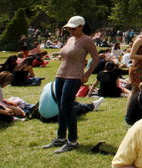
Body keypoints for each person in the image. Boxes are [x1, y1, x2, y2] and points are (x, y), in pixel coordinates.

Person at [42, 15, 99, 154]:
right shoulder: (70, 39)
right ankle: (60, 138)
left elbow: (96, 58)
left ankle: (72, 141)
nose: (71, 31)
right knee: (60, 108)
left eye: (73, 28)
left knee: (67, 108)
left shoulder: (87, 40)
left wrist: (86, 74)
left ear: (81, 27)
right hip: (60, 75)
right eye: (69, 29)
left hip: (74, 77)